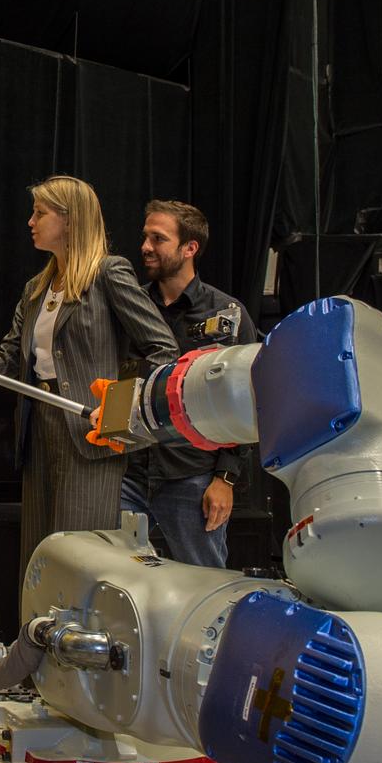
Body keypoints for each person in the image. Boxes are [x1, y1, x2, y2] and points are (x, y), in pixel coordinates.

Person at [0, 175, 178, 578]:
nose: (30, 222)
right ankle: (37, 640)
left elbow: (163, 349)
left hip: (90, 434)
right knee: (40, 561)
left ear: (70, 220)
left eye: (40, 212)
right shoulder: (36, 287)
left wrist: (121, 412)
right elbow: (9, 358)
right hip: (39, 431)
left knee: (79, 562)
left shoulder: (108, 274)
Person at [120, 201, 257, 568]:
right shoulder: (129, 306)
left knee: (204, 582)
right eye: (145, 237)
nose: (146, 247)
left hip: (192, 476)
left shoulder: (226, 313)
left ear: (189, 248)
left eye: (158, 238)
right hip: (128, 473)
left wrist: (225, 479)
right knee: (120, 581)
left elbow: (247, 403)